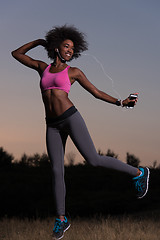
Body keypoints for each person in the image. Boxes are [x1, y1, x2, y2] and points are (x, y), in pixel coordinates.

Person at [12, 24, 150, 240]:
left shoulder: (73, 72)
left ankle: (139, 173)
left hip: (71, 118)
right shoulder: (42, 68)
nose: (70, 51)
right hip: (52, 125)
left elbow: (96, 92)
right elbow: (16, 54)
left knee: (93, 159)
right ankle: (61, 218)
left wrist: (121, 102)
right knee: (57, 171)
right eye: (66, 46)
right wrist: (39, 42)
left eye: (72, 48)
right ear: (56, 47)